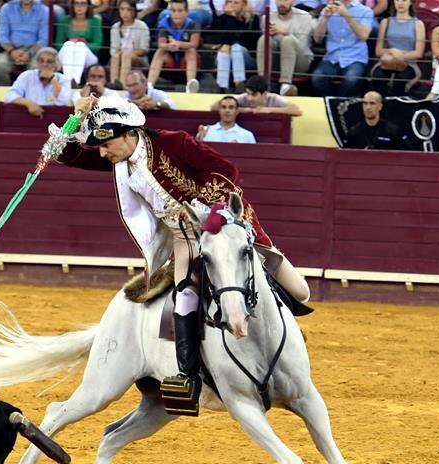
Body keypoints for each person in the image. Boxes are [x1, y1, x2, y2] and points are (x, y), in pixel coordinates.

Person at [58, 95, 309, 415]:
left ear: (126, 134)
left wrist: (210, 212)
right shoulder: (118, 160)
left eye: (106, 145)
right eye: (100, 147)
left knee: (300, 290)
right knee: (184, 295)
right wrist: (74, 118)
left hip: (224, 225)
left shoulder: (172, 143)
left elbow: (225, 168)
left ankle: (284, 349)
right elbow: (67, 154)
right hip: (184, 238)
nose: (102, 153)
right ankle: (188, 377)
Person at [310, 0, 374, 98]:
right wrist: (325, 18)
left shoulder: (365, 11)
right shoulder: (327, 9)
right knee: (317, 78)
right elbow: (317, 39)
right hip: (332, 57)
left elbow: (363, 35)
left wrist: (346, 15)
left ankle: (340, 105)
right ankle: (328, 103)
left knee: (351, 79)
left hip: (355, 57)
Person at [257, 0, 315, 96]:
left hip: (300, 61)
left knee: (288, 40)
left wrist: (286, 32)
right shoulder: (267, 18)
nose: (282, 3)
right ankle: (263, 84)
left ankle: (286, 85)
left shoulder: (305, 17)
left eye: (286, 0)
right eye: (279, 0)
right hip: (277, 60)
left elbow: (302, 47)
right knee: (264, 39)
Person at [370, 0, 425, 95]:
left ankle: (395, 108)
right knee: (379, 77)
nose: (400, 3)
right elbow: (378, 51)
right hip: (387, 61)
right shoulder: (385, 22)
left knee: (400, 81)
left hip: (409, 63)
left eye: (404, 0)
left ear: (410, 2)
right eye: (397, 0)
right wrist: (392, 51)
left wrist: (400, 55)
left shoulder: (418, 24)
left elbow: (418, 53)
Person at [148, 0, 202, 93]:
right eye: (173, 11)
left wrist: (179, 44)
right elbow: (161, 44)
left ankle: (190, 86)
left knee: (191, 51)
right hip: (170, 58)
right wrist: (170, 46)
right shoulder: (164, 24)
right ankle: (149, 86)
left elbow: (194, 44)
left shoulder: (193, 24)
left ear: (186, 12)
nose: (176, 14)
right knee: (160, 52)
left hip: (185, 58)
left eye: (180, 11)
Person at [0, 0, 51, 86]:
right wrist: (12, 51)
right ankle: (8, 94)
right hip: (12, 49)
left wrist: (29, 53)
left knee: (36, 68)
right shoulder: (6, 8)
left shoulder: (44, 10)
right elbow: (3, 35)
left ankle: (30, 96)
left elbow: (43, 39)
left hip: (35, 51)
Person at [3, 46, 73, 116]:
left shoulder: (63, 79)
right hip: (28, 117)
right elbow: (9, 96)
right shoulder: (27, 75)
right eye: (41, 61)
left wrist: (52, 79)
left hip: (54, 118)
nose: (45, 64)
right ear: (37, 62)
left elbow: (64, 100)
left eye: (49, 61)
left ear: (56, 64)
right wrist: (29, 103)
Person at [209, 0, 260, 93]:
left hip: (248, 58)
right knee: (223, 52)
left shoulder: (253, 19)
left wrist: (229, 44)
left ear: (243, 5)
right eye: (230, 2)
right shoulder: (223, 19)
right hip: (226, 57)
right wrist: (231, 17)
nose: (232, 5)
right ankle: (222, 87)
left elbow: (249, 43)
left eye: (236, 3)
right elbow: (221, 40)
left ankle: (239, 84)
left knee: (235, 48)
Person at [55, 0, 104, 85]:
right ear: (72, 5)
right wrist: (71, 42)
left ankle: (74, 83)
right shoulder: (65, 20)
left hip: (88, 55)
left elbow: (98, 45)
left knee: (79, 45)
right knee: (69, 44)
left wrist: (83, 43)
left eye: (83, 3)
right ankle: (69, 82)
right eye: (76, 3)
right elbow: (58, 44)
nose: (79, 6)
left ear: (88, 6)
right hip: (68, 52)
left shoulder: (95, 21)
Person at [343, 90, 412, 149]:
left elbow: (407, 154)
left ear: (380, 106)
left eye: (372, 103)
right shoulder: (354, 131)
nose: (368, 107)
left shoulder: (393, 131)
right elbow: (344, 156)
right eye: (365, 103)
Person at [211, 75, 303, 115]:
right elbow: (214, 107)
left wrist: (268, 110)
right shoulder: (243, 98)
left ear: (264, 94)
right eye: (248, 94)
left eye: (254, 94)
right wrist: (244, 110)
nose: (249, 98)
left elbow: (297, 111)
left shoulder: (273, 98)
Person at [109, 0, 151, 86]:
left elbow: (144, 49)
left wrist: (128, 52)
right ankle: (114, 84)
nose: (125, 12)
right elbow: (113, 50)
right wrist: (120, 52)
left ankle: (123, 85)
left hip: (138, 58)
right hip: (120, 55)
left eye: (128, 9)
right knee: (116, 56)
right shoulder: (115, 27)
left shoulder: (142, 26)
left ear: (134, 11)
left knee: (126, 55)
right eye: (122, 9)